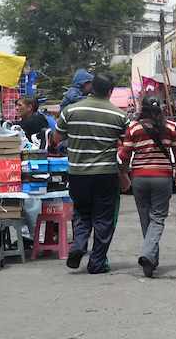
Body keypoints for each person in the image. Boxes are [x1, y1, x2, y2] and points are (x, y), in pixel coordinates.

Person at [53, 73, 128, 275]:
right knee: (104, 219)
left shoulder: (70, 111)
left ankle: (78, 244)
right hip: (106, 173)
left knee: (82, 212)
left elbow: (57, 137)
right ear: (110, 92)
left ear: (91, 88)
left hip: (77, 173)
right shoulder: (119, 115)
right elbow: (125, 145)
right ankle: (97, 262)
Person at [118, 95, 176, 279]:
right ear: (160, 108)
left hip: (139, 178)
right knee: (158, 218)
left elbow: (124, 154)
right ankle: (148, 255)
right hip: (162, 178)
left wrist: (123, 173)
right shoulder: (171, 127)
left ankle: (150, 261)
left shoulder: (134, 127)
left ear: (142, 108)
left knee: (146, 218)